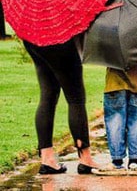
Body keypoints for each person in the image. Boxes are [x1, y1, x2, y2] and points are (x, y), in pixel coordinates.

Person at [23, 38, 98, 175]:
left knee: (48, 95)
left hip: (32, 39)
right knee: (76, 99)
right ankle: (85, 158)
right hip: (59, 39)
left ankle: (47, 159)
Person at [92, 64, 137, 176]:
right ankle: (134, 162)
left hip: (114, 84)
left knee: (115, 123)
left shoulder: (111, 46)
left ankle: (117, 162)